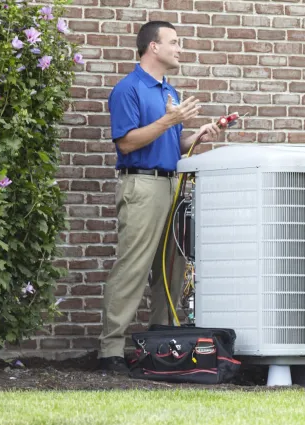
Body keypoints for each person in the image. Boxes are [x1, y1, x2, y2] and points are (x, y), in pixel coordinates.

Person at [98, 21, 223, 373]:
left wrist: (198, 133)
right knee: (134, 266)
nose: (180, 48)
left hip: (172, 183)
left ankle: (162, 342)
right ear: (153, 47)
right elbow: (126, 142)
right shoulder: (129, 89)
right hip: (142, 186)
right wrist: (170, 121)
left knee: (171, 269)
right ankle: (110, 350)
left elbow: (175, 144)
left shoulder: (172, 93)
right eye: (174, 42)